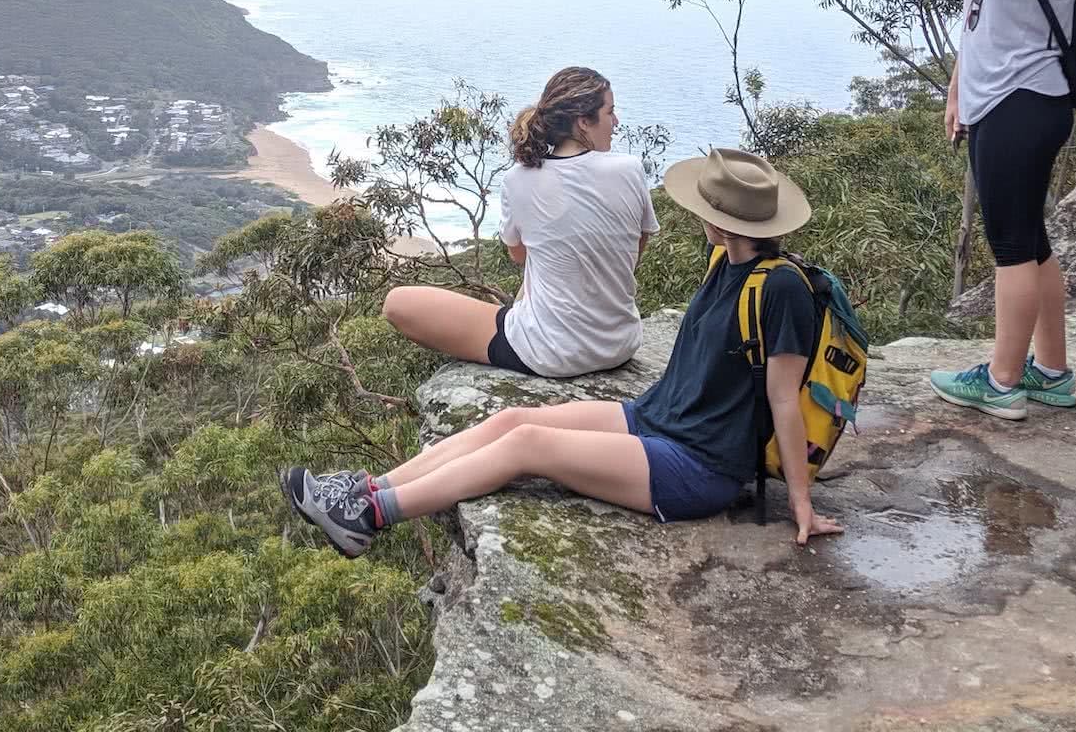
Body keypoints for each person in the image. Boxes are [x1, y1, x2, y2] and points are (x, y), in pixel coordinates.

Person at [282, 149, 845, 552]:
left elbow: (783, 401)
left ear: (720, 218)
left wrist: (801, 503)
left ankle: (371, 517)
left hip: (699, 466)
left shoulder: (783, 289)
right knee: (513, 418)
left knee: (527, 446)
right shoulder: (728, 261)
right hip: (657, 417)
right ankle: (368, 487)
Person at [928, 0, 1076, 420]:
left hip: (1026, 101)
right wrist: (956, 91)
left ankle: (1000, 381)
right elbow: (979, 22)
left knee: (1012, 246)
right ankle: (1051, 371)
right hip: (996, 100)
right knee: (1033, 243)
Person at [381, 66, 656, 378]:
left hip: (551, 353)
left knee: (397, 302)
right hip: (620, 345)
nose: (616, 122)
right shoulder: (631, 169)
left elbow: (519, 255)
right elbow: (635, 248)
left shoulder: (518, 179)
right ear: (583, 121)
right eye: (610, 112)